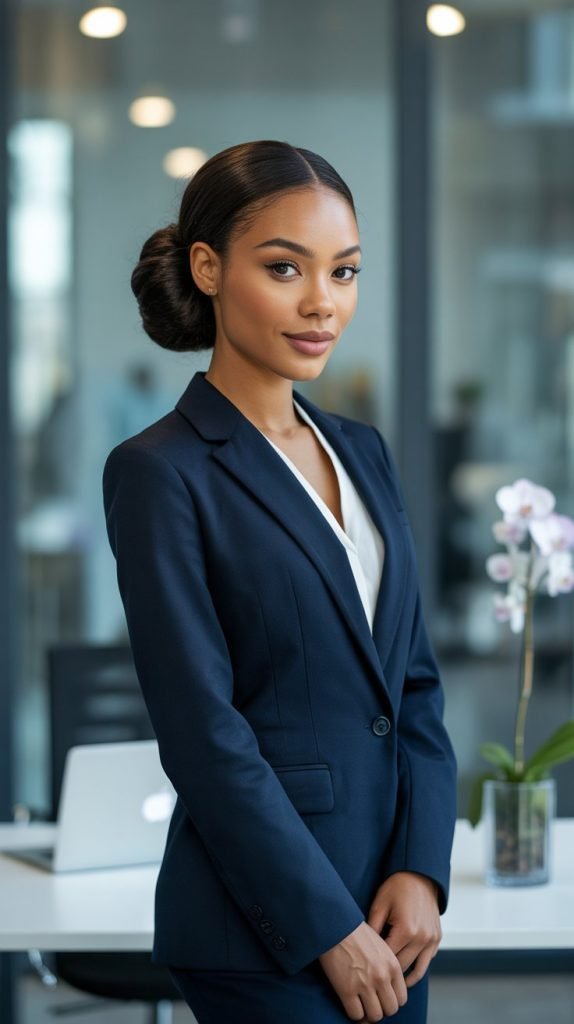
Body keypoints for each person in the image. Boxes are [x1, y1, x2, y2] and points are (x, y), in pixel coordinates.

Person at [102, 140, 457, 1024]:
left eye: (344, 272)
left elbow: (410, 680)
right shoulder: (161, 470)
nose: (321, 304)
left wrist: (422, 866)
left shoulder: (363, 452)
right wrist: (326, 927)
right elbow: (202, 734)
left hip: (393, 911)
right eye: (285, 267)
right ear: (208, 267)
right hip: (269, 928)